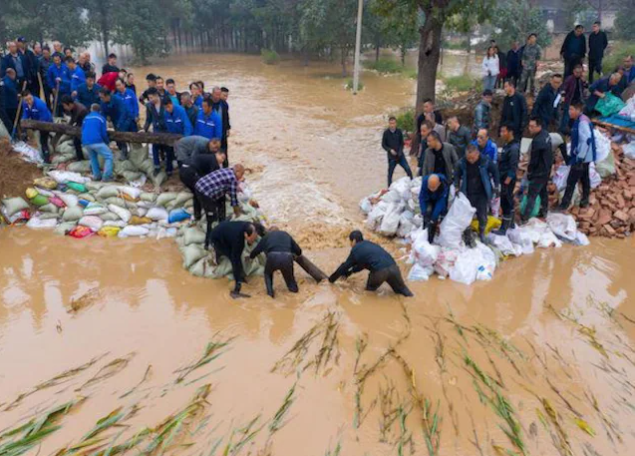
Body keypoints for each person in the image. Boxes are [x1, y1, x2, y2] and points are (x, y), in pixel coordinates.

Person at [329, 230, 413, 296]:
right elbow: (362, 265)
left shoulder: (356, 249)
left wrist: (331, 280)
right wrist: (350, 273)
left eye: (350, 242)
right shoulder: (369, 244)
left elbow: (345, 266)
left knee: (369, 293)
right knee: (402, 291)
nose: (351, 244)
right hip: (394, 268)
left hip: (380, 272)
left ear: (354, 241)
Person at [454, 144, 500, 244]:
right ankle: (468, 233)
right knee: (466, 214)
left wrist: (496, 186)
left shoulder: (486, 161)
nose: (470, 160)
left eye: (473, 158)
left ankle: (482, 233)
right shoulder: (462, 163)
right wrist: (456, 186)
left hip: (482, 193)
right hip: (467, 192)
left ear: (477, 154)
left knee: (482, 215)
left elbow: (495, 172)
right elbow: (457, 175)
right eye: (468, 158)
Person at [196, 165, 246, 249]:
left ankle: (222, 221)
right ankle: (208, 243)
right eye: (242, 174)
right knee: (212, 219)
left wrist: (236, 188)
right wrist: (237, 214)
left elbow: (228, 189)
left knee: (221, 202)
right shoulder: (233, 178)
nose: (242, 177)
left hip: (200, 184)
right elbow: (233, 199)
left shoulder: (228, 170)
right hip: (204, 192)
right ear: (237, 172)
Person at [559, 102, 596, 210]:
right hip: (585, 157)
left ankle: (563, 206)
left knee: (571, 181)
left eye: (571, 109)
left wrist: (580, 157)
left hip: (582, 157)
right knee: (585, 178)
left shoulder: (582, 122)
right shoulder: (580, 120)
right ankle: (584, 200)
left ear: (578, 110)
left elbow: (586, 140)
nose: (569, 112)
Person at [249, 227, 304, 298]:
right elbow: (298, 250)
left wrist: (251, 257)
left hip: (272, 257)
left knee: (267, 273)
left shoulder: (267, 236)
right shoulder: (286, 234)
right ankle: (294, 293)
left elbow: (257, 250)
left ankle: (270, 294)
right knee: (290, 281)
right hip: (287, 258)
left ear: (269, 232)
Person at [210, 221, 258, 298]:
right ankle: (237, 285)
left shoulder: (250, 226)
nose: (252, 242)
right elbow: (236, 260)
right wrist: (238, 282)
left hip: (227, 233)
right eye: (251, 240)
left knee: (236, 256)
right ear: (245, 235)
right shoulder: (238, 240)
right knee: (232, 257)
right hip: (217, 238)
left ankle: (240, 276)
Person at [179, 149, 226, 220]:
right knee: (201, 191)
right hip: (190, 172)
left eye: (224, 159)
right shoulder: (213, 159)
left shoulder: (207, 158)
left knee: (197, 193)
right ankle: (209, 215)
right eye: (222, 158)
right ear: (217, 154)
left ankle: (198, 215)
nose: (222, 161)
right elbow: (213, 177)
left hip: (183, 171)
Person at [521, 116, 553, 223]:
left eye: (532, 126)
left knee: (532, 195)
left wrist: (530, 172)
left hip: (539, 172)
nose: (530, 128)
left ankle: (525, 217)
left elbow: (533, 161)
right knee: (543, 192)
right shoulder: (546, 135)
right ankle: (544, 211)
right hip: (546, 170)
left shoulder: (537, 141)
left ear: (539, 126)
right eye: (529, 126)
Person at [493, 123, 520, 235]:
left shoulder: (513, 148)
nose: (502, 134)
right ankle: (511, 223)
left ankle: (504, 228)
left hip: (507, 180)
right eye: (501, 131)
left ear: (510, 132)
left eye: (504, 131)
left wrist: (507, 181)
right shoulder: (507, 145)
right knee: (508, 200)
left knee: (506, 202)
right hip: (503, 178)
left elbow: (513, 167)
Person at [99, 87, 136, 160]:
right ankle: (123, 151)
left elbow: (123, 112)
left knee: (129, 136)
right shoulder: (103, 102)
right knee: (118, 138)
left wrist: (119, 124)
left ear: (107, 96)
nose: (101, 99)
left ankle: (134, 153)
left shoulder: (117, 100)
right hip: (115, 120)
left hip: (126, 119)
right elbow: (103, 113)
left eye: (102, 97)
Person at [81, 104, 113, 181]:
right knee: (109, 156)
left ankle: (97, 175)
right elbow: (103, 133)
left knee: (93, 157)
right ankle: (106, 176)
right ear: (99, 110)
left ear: (91, 109)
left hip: (86, 141)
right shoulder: (101, 118)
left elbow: (83, 130)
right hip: (96, 141)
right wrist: (107, 142)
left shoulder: (86, 118)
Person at [144, 87, 171, 175]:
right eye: (149, 98)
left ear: (156, 96)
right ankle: (157, 166)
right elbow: (148, 119)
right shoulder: (149, 106)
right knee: (155, 147)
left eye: (151, 98)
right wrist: (144, 129)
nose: (150, 100)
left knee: (168, 148)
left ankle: (169, 168)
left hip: (166, 129)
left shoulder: (165, 102)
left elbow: (171, 114)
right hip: (156, 129)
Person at [21, 90, 53, 163]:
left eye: (30, 99)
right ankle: (43, 152)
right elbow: (26, 114)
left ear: (32, 96)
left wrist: (37, 127)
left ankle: (47, 159)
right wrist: (23, 123)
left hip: (46, 123)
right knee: (39, 139)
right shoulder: (25, 104)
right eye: (26, 100)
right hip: (35, 123)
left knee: (43, 140)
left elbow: (44, 119)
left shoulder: (40, 104)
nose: (29, 101)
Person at [382, 116, 413, 186]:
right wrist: (390, 150)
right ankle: (389, 188)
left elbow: (402, 143)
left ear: (396, 123)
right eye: (390, 123)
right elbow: (383, 145)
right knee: (390, 173)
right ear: (389, 124)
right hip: (391, 157)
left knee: (407, 169)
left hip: (400, 156)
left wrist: (399, 152)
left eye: (393, 123)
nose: (392, 125)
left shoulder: (399, 131)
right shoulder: (386, 133)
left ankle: (412, 182)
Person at [419, 174, 449, 243]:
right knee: (427, 212)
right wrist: (424, 212)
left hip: (438, 198)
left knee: (435, 216)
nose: (432, 189)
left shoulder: (443, 184)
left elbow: (441, 202)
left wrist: (434, 217)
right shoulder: (425, 181)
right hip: (428, 198)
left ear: (439, 184)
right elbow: (422, 198)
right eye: (430, 187)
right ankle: (425, 231)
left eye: (433, 188)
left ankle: (431, 236)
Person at [61, 95, 88, 161]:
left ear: (70, 104)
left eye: (65, 106)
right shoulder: (73, 107)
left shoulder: (81, 110)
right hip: (79, 124)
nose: (64, 108)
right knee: (76, 141)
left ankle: (81, 159)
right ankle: (79, 157)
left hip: (84, 126)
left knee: (77, 141)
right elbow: (73, 119)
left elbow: (80, 122)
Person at [561, 65, 586, 134]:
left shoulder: (581, 79)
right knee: (567, 115)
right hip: (570, 100)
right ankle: (563, 130)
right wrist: (563, 99)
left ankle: (572, 129)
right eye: (577, 72)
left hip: (578, 101)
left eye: (580, 72)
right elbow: (563, 89)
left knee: (575, 116)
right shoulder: (570, 79)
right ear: (573, 71)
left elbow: (585, 88)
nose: (578, 74)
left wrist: (584, 82)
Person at [210, 86, 231, 155]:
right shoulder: (208, 103)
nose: (217, 96)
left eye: (219, 95)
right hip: (211, 130)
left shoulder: (224, 104)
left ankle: (225, 164)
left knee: (223, 150)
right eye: (216, 94)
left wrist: (228, 128)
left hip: (222, 130)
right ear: (212, 94)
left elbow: (226, 117)